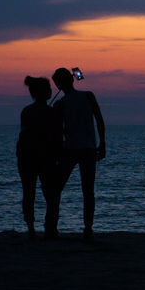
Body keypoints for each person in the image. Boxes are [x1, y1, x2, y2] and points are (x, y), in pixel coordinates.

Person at [51, 66, 106, 239]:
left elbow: (57, 131)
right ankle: (88, 228)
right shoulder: (88, 96)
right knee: (88, 190)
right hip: (88, 149)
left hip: (71, 150)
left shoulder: (60, 104)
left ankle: (52, 226)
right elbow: (99, 121)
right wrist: (102, 143)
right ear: (72, 79)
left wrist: (57, 152)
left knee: (56, 188)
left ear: (58, 85)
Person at [15, 75, 62, 239]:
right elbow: (56, 136)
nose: (51, 91)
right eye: (49, 89)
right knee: (51, 194)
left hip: (26, 156)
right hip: (45, 157)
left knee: (29, 193)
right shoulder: (51, 112)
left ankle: (31, 229)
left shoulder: (27, 111)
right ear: (43, 92)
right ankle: (51, 228)